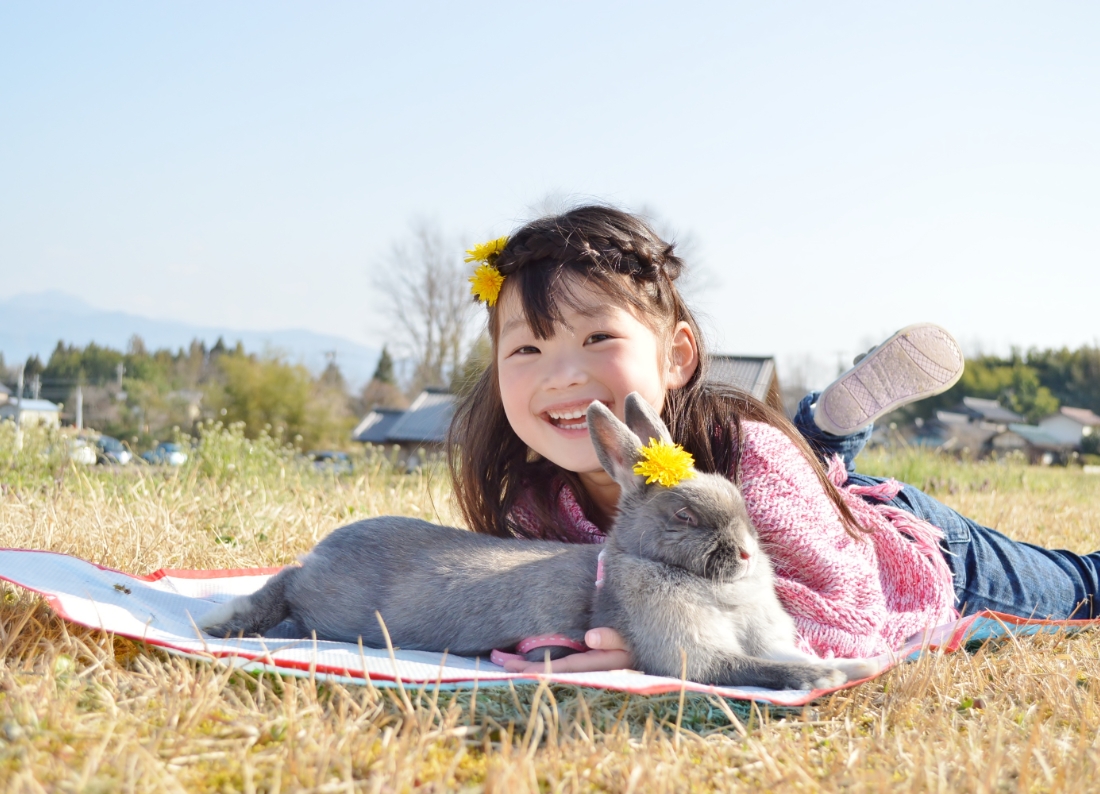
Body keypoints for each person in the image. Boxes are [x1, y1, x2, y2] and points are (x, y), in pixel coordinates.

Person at [449, 205, 1100, 675]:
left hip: (905, 558)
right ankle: (824, 433)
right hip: (785, 510)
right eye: (527, 347)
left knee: (1083, 587)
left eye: (597, 339)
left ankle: (819, 442)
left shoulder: (748, 456)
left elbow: (849, 620)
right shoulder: (533, 507)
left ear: (677, 357)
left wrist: (660, 640)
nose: (563, 375)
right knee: (790, 477)